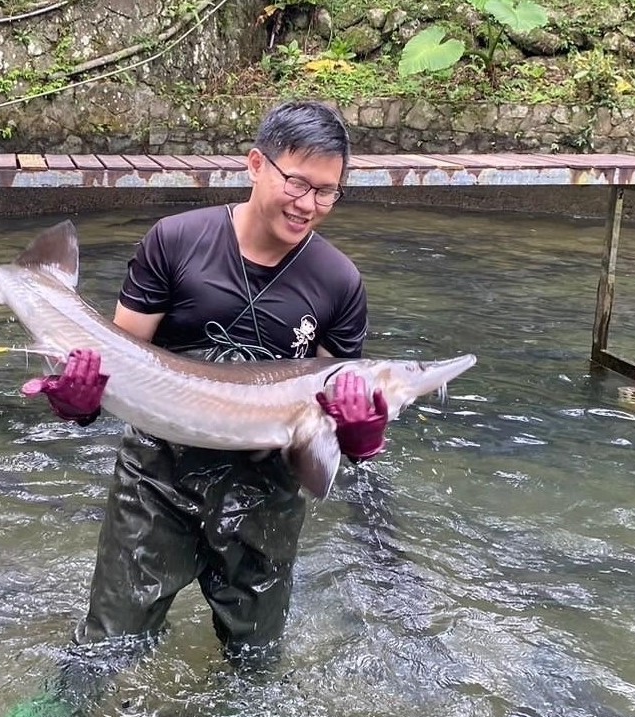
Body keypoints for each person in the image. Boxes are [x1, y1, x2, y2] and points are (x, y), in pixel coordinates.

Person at [25, 101, 389, 670]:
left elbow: (329, 406)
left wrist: (361, 437)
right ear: (256, 164)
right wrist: (78, 402)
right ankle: (50, 715)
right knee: (106, 646)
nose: (309, 205)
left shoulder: (339, 282)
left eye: (327, 192)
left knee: (256, 662)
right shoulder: (175, 240)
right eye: (298, 183)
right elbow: (117, 361)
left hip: (264, 496)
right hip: (157, 480)